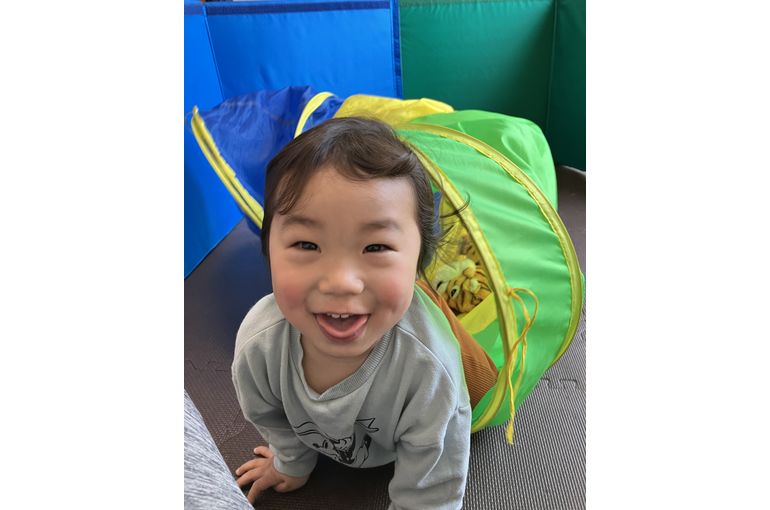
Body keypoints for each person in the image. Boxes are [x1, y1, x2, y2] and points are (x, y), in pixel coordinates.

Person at [231, 117, 497, 509]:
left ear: (418, 261)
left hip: (413, 445)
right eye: (307, 245)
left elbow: (432, 490)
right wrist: (291, 462)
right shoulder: (259, 346)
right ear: (269, 249)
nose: (341, 282)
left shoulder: (431, 372)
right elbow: (269, 415)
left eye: (375, 247)